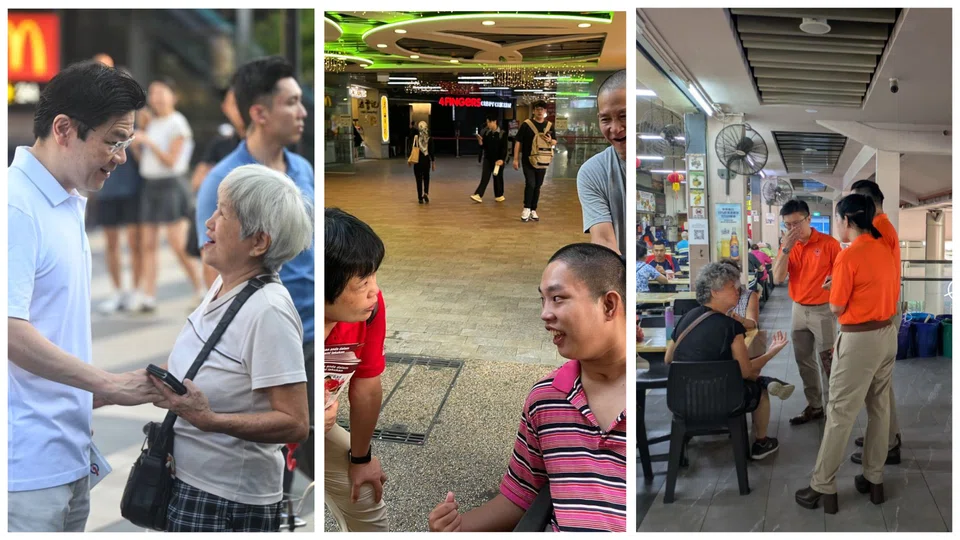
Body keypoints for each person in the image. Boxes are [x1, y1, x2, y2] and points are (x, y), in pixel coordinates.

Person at [8, 60, 163, 533]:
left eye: (127, 142)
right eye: (113, 140)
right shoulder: (15, 206)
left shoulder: (67, 198)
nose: (120, 156)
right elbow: (9, 332)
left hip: (67, 453)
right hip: (22, 468)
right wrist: (108, 384)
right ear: (63, 129)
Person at [152, 164, 312, 531]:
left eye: (222, 213)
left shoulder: (268, 310)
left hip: (227, 504)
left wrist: (211, 421)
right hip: (191, 484)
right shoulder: (226, 284)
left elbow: (294, 423)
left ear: (258, 242)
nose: (208, 222)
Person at [429, 243, 627, 532]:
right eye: (543, 300)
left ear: (608, 305)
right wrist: (455, 528)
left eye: (558, 298)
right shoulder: (546, 399)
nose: (545, 314)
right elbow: (520, 495)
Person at [196, 55, 315, 503]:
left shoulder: (302, 172)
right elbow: (213, 273)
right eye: (293, 102)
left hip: (309, 335)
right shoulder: (222, 183)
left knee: (299, 448)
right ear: (260, 112)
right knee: (281, 452)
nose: (302, 112)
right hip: (260, 342)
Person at [795, 194, 899, 513]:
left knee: (840, 412)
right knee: (879, 407)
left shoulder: (849, 255)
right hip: (886, 335)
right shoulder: (884, 248)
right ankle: (874, 478)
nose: (838, 224)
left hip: (859, 341)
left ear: (847, 220)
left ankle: (821, 485)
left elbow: (838, 306)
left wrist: (834, 286)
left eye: (838, 219)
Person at [666, 262, 791, 460]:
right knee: (755, 383)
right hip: (723, 401)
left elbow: (668, 358)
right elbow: (746, 372)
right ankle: (761, 442)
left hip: (682, 401)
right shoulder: (731, 327)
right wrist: (772, 351)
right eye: (732, 287)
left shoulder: (687, 318)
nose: (738, 291)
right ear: (714, 292)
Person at [324, 208, 389, 532]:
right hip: (254, 431)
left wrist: (360, 459)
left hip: (314, 428)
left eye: (374, 276)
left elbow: (366, 387)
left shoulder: (370, 311)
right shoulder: (282, 320)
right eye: (362, 282)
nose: (374, 291)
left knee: (365, 499)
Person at [131, 77, 204, 311]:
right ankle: (148, 296)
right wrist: (137, 144)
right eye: (153, 93)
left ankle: (201, 287)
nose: (157, 98)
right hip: (150, 185)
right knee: (148, 244)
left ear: (173, 97)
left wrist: (149, 142)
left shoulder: (178, 124)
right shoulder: (150, 122)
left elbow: (171, 161)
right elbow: (146, 162)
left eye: (162, 93)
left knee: (178, 243)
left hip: (171, 185)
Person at [772, 199, 841, 426]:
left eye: (796, 223)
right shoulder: (788, 247)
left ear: (809, 219)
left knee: (827, 361)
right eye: (787, 225)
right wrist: (785, 249)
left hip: (823, 311)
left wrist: (833, 283)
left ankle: (835, 411)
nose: (792, 229)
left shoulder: (829, 244)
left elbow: (841, 276)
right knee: (804, 360)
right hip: (798, 310)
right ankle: (815, 405)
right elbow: (778, 278)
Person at [849, 179, 903, 466]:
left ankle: (888, 443)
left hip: (880, 316)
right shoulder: (883, 225)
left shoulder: (879, 229)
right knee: (881, 385)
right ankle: (886, 436)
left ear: (866, 204)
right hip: (885, 311)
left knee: (880, 387)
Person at [95, 104, 146, 315]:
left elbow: (144, 160)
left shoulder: (134, 121)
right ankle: (117, 292)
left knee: (135, 243)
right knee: (111, 243)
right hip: (107, 191)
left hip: (132, 189)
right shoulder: (97, 121)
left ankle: (136, 290)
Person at [192, 86, 246, 286]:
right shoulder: (220, 143)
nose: (239, 108)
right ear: (225, 107)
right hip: (221, 215)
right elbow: (197, 180)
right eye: (233, 103)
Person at [577, 70, 626, 255]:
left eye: (624, 116)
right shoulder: (593, 172)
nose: (616, 129)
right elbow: (603, 239)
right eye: (605, 119)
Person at [512, 100, 557, 222]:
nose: (540, 111)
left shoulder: (549, 126)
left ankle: (533, 209)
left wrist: (550, 140)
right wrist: (515, 159)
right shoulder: (527, 124)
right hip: (528, 159)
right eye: (537, 109)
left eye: (542, 109)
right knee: (530, 183)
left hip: (543, 160)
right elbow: (518, 141)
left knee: (538, 185)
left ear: (545, 111)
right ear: (534, 111)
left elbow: (554, 142)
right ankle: (526, 207)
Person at [471, 113, 508, 203]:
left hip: (498, 160)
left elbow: (505, 148)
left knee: (498, 178)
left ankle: (499, 195)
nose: (488, 124)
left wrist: (502, 160)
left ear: (494, 122)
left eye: (489, 122)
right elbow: (484, 147)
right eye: (487, 122)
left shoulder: (502, 133)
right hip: (488, 158)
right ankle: (478, 194)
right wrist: (480, 142)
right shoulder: (485, 132)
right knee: (485, 177)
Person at [409, 120, 435, 204]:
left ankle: (420, 198)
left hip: (418, 161)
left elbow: (412, 149)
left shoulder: (416, 138)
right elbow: (431, 151)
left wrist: (410, 160)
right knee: (426, 177)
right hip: (426, 160)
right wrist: (433, 162)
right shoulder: (429, 138)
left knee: (418, 179)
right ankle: (426, 193)